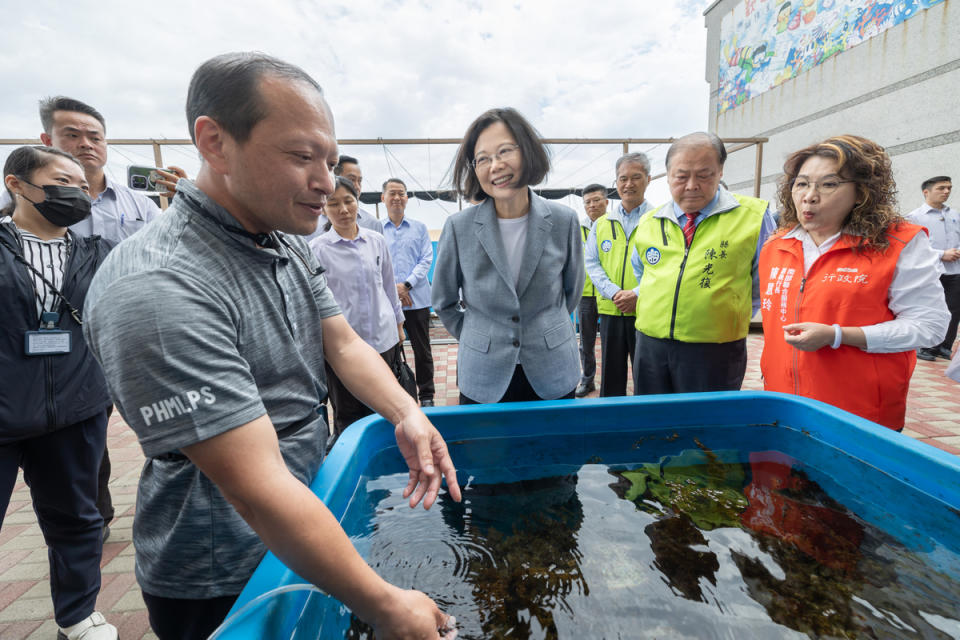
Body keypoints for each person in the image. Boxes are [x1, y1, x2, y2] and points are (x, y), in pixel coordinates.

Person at [82, 52, 460, 640]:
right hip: (224, 575)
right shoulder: (158, 289)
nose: (327, 183)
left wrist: (407, 412)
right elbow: (257, 489)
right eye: (302, 156)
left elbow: (342, 341)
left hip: (306, 532)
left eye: (330, 161)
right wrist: (385, 604)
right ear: (213, 141)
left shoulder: (280, 241)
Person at [0, 146, 117, 640]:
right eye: (61, 179)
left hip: (75, 408)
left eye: (81, 181)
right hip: (4, 409)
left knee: (76, 516)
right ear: (17, 185)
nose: (77, 189)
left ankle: (77, 613)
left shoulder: (99, 253)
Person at [759, 135, 949, 431]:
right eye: (802, 183)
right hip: (785, 406)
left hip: (860, 414)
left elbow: (930, 326)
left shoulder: (898, 242)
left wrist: (839, 335)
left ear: (861, 192)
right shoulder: (777, 245)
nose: (809, 195)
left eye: (828, 184)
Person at [432, 107, 583, 404]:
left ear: (527, 153)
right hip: (483, 372)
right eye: (483, 159)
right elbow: (444, 302)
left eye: (504, 151)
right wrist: (479, 334)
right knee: (486, 450)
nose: (495, 166)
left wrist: (544, 329)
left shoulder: (564, 221)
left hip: (551, 368)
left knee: (553, 448)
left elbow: (571, 291)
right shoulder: (458, 227)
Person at [628, 132, 777, 394]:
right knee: (651, 422)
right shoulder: (649, 221)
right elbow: (643, 274)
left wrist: (724, 312)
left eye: (704, 175)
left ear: (720, 172)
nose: (691, 185)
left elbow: (761, 283)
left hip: (715, 349)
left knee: (704, 426)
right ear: (668, 175)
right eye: (681, 176)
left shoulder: (753, 217)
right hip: (650, 344)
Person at [310, 177, 405, 439]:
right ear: (324, 208)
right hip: (341, 350)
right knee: (349, 416)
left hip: (383, 339)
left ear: (357, 201)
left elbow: (388, 286)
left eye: (348, 201)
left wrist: (399, 326)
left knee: (387, 410)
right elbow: (314, 305)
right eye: (333, 203)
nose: (343, 209)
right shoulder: (317, 250)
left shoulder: (376, 241)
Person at [585, 154, 654, 396]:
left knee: (646, 374)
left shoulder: (658, 221)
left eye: (636, 177)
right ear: (616, 183)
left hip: (645, 310)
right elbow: (591, 262)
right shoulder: (602, 224)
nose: (629, 184)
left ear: (648, 179)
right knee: (611, 376)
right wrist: (614, 292)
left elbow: (665, 267)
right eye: (623, 178)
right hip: (611, 308)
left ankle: (644, 424)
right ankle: (610, 423)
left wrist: (636, 294)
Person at [382, 178, 436, 407]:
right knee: (390, 350)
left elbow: (426, 259)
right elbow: (376, 263)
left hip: (417, 299)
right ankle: (396, 395)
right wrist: (394, 290)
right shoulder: (375, 229)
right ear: (383, 198)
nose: (396, 197)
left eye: (401, 193)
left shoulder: (419, 228)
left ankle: (426, 395)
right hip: (386, 301)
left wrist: (406, 285)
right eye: (392, 193)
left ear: (406, 198)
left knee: (422, 350)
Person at [907, 176, 959, 361]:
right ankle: (926, 347)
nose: (946, 191)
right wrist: (940, 254)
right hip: (931, 270)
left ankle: (944, 346)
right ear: (926, 192)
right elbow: (912, 247)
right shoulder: (914, 217)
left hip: (955, 271)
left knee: (953, 310)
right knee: (930, 308)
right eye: (941, 188)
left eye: (949, 188)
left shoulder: (954, 215)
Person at [305, 154, 384, 240]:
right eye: (351, 180)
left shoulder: (373, 224)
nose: (357, 186)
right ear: (332, 179)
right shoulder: (308, 225)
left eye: (359, 181)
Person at [575, 184, 607, 397]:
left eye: (596, 200)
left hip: (610, 294)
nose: (592, 205)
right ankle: (588, 380)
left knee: (612, 341)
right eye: (588, 202)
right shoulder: (577, 229)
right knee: (586, 341)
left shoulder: (613, 226)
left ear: (606, 201)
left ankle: (611, 382)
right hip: (585, 294)